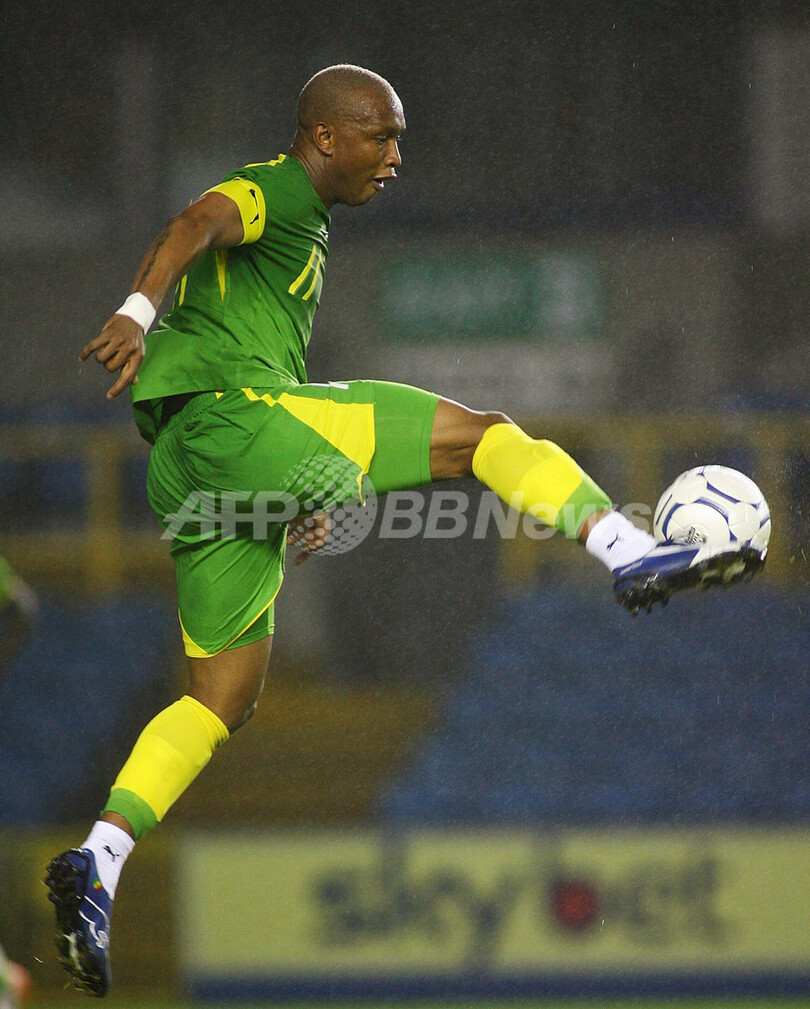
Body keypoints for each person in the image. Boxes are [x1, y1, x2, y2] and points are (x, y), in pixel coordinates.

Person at [45, 65, 764, 996]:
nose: (394, 156)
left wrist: (288, 489)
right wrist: (135, 310)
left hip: (195, 464)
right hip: (232, 418)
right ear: (325, 137)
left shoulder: (304, 230)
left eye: (398, 137)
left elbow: (235, 315)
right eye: (380, 135)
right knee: (483, 438)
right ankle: (630, 550)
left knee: (222, 695)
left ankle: (100, 860)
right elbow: (195, 221)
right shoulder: (278, 189)